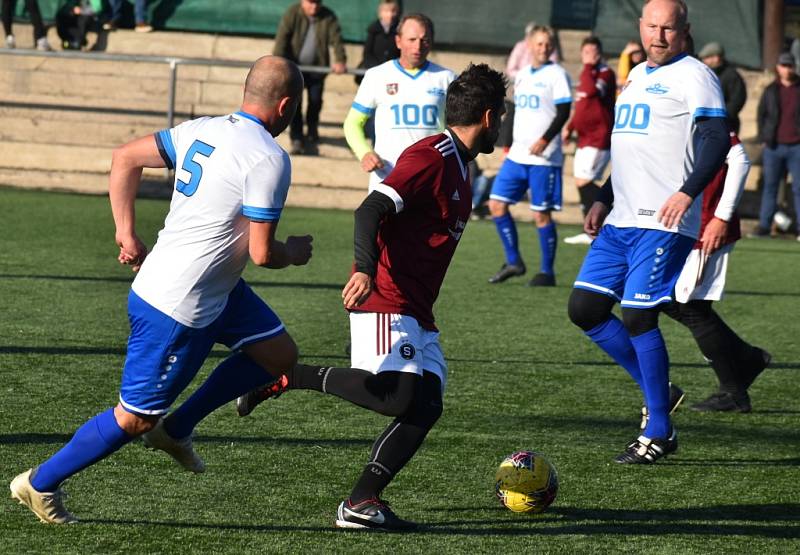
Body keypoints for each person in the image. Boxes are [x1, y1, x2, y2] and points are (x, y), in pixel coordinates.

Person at [9, 56, 313, 524]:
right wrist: (292, 251)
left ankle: (178, 428)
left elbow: (124, 157)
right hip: (179, 305)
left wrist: (126, 231)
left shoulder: (204, 128)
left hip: (215, 289)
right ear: (288, 105)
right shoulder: (269, 158)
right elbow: (262, 253)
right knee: (135, 419)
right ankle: (40, 482)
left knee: (277, 356)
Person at [237, 63, 508, 531]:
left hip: (418, 307)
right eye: (500, 115)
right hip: (386, 294)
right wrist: (363, 270)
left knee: (426, 404)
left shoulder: (463, 165)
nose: (502, 124)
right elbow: (371, 208)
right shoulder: (432, 156)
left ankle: (362, 501)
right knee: (396, 398)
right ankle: (289, 376)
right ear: (488, 117)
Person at [567, 0, 730, 464]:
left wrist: (687, 193)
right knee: (586, 308)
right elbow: (630, 148)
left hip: (664, 222)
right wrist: (602, 193)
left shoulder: (696, 75)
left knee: (639, 316)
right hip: (622, 218)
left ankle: (660, 430)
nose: (659, 36)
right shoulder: (636, 74)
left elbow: (717, 140)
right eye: (652, 27)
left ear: (685, 31)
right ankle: (659, 390)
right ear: (641, 27)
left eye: (669, 29)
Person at [664, 131, 771, 412]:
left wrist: (721, 217)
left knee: (692, 308)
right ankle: (747, 359)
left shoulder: (702, 105)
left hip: (705, 230)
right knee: (666, 300)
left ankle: (734, 392)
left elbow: (739, 159)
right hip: (680, 228)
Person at [487, 24, 572, 287]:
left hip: (544, 159)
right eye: (539, 43)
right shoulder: (522, 75)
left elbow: (563, 112)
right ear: (529, 45)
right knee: (496, 204)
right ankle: (514, 261)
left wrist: (545, 139)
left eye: (548, 44)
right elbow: (513, 112)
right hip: (518, 155)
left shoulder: (558, 74)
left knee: (540, 214)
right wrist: (508, 145)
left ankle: (547, 272)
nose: (544, 48)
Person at [343, 13, 454, 192]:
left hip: (431, 181)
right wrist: (365, 153)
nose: (418, 46)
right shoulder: (377, 76)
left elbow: (457, 129)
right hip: (387, 178)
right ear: (398, 41)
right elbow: (352, 123)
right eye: (411, 39)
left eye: (424, 40)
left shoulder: (447, 78)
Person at [274, 0, 347, 156]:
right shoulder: (292, 13)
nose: (314, 7)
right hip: (294, 69)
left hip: (317, 69)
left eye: (317, 3)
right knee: (294, 105)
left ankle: (312, 129)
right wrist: (279, 63)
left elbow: (336, 39)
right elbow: (282, 38)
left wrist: (340, 59)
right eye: (310, 3)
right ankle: (297, 138)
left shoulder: (328, 16)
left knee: (315, 101)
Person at [562, 36, 616, 245]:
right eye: (585, 52)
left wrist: (587, 68)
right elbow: (582, 105)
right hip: (584, 137)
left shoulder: (604, 73)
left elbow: (593, 92)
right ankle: (591, 226)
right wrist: (570, 127)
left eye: (593, 52)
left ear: (599, 53)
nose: (589, 56)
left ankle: (610, 215)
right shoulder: (586, 74)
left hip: (599, 136)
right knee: (579, 180)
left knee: (585, 179)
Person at [753, 52, 800, 239]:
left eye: (789, 66)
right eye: (783, 66)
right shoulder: (771, 89)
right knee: (770, 187)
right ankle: (764, 225)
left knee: (798, 188)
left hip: (797, 147)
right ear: (778, 68)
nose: (787, 69)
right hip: (773, 146)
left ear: (794, 67)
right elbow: (762, 114)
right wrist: (765, 137)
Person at [355, 0, 400, 142]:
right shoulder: (373, 30)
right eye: (387, 11)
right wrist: (378, 71)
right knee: (370, 112)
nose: (390, 15)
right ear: (380, 13)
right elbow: (367, 54)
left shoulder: (399, 30)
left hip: (393, 80)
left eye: (393, 11)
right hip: (376, 78)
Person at [697, 42, 747, 134]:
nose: (704, 61)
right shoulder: (703, 74)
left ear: (716, 58)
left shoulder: (731, 75)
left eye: (707, 58)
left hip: (726, 125)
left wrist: (720, 116)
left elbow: (737, 100)